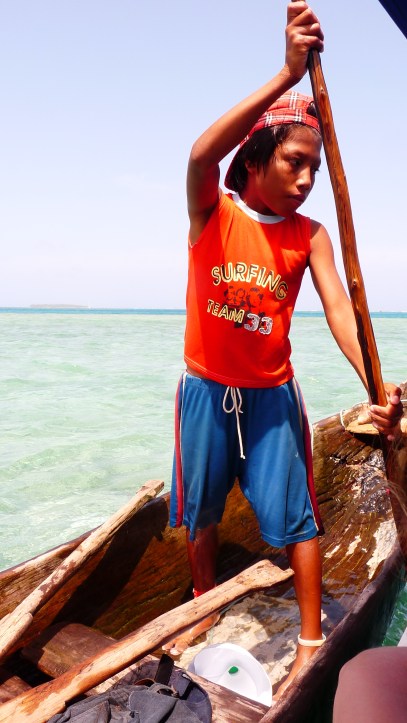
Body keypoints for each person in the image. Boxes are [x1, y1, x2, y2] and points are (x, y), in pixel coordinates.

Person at [164, 1, 403, 697]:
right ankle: (202, 603)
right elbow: (199, 154)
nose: (304, 180)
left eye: (314, 170)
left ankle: (308, 639)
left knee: (298, 519)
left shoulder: (309, 234)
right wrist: (286, 75)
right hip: (205, 392)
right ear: (255, 158)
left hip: (271, 399)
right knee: (201, 511)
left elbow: (339, 311)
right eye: (295, 162)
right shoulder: (212, 212)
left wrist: (375, 385)